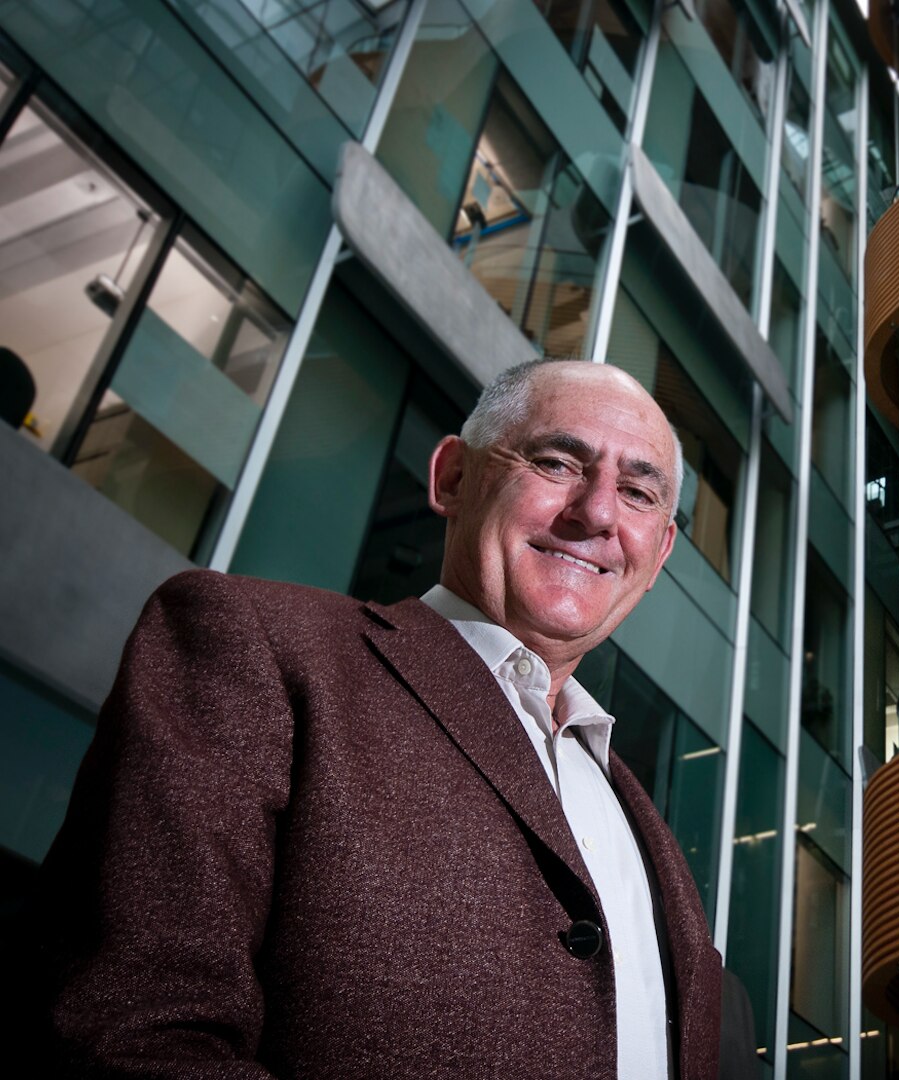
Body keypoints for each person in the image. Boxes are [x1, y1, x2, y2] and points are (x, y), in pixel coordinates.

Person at [32, 359, 722, 1078]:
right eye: (556, 462)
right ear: (453, 477)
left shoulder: (651, 831)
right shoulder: (256, 647)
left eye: (638, 492)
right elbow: (128, 1032)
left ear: (661, 550)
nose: (601, 513)